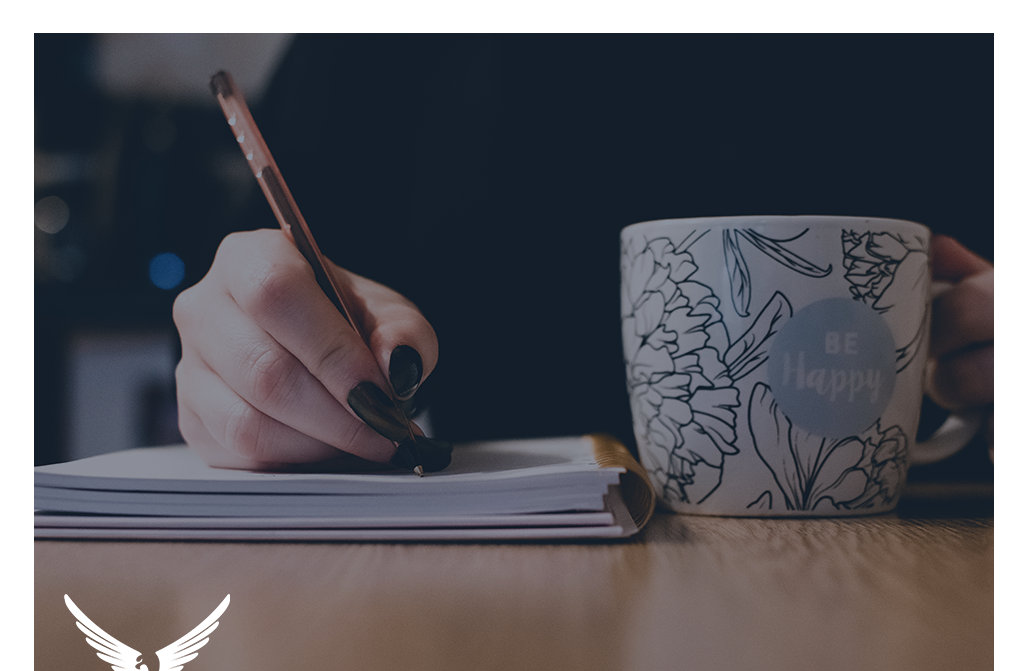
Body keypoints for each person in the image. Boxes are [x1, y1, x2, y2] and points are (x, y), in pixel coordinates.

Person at [172, 34, 994, 472]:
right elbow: (266, 270)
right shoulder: (395, 40)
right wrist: (263, 351)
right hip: (492, 598)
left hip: (925, 577)